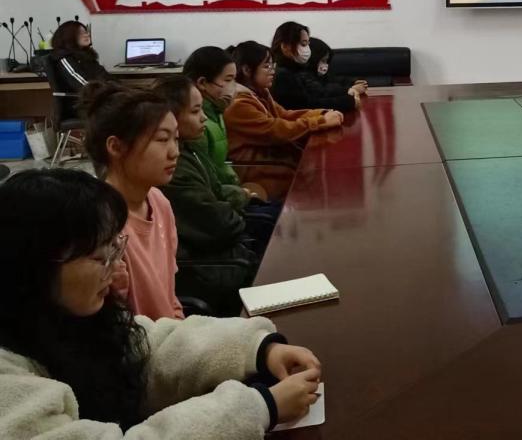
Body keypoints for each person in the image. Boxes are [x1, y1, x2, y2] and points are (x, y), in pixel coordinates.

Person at [0, 167, 322, 437]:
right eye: (100, 257)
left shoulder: (71, 314)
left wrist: (259, 350)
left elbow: (152, 347)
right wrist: (259, 407)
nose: (117, 266)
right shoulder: (8, 380)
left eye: (116, 247)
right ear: (34, 267)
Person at [155, 76, 258, 316]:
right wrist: (237, 208)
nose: (203, 117)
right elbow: (218, 223)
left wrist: (236, 201)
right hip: (211, 267)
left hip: (220, 253)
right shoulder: (173, 170)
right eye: (195, 111)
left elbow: (217, 192)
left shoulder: (191, 150)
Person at [81, 81, 185, 320]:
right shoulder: (101, 223)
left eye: (176, 139)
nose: (174, 152)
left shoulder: (159, 202)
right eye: (162, 139)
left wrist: (182, 328)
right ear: (116, 147)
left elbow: (170, 297)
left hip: (171, 335)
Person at [224, 41, 343, 201]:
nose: (273, 71)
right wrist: (320, 122)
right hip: (260, 170)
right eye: (267, 66)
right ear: (246, 70)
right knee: (319, 182)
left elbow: (285, 115)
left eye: (273, 65)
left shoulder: (260, 92)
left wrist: (322, 113)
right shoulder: (239, 104)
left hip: (277, 160)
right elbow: (276, 130)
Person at [182, 46, 249, 207]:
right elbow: (206, 185)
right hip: (220, 204)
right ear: (203, 83)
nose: (234, 87)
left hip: (229, 198)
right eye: (228, 80)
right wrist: (241, 194)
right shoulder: (197, 126)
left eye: (234, 80)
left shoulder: (216, 112)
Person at [270, 21, 366, 113]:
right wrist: (347, 101)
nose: (307, 50)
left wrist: (348, 91)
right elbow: (306, 106)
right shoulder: (282, 74)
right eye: (303, 44)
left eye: (308, 44)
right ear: (285, 46)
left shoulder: (295, 69)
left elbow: (315, 95)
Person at [50, 20, 108, 114]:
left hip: (96, 99)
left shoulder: (86, 56)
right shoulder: (64, 58)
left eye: (86, 32)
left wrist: (118, 89)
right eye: (81, 33)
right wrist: (108, 93)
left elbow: (103, 75)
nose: (87, 35)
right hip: (80, 105)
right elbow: (83, 85)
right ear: (69, 37)